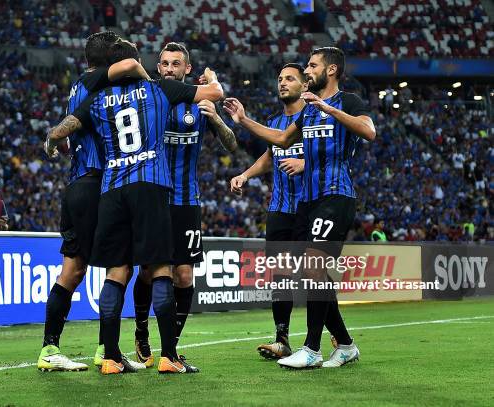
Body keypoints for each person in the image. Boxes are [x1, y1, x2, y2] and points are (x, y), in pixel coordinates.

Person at [49, 39, 224, 374]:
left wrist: (52, 138)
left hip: (112, 189)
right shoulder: (160, 89)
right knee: (161, 269)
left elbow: (69, 125)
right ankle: (169, 357)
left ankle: (111, 357)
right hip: (150, 183)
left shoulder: (99, 97)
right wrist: (211, 77)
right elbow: (214, 94)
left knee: (117, 272)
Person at [224, 47, 375, 369]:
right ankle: (345, 345)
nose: (308, 71)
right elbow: (279, 140)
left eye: (312, 65)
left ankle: (311, 348)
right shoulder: (306, 111)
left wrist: (328, 109)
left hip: (336, 195)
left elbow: (369, 131)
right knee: (313, 274)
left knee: (313, 266)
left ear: (331, 70)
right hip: (306, 202)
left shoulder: (347, 102)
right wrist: (243, 120)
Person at [37, 31, 151, 373]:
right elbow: (131, 63)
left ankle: (50, 349)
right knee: (121, 266)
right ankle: (108, 350)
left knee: (73, 270)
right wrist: (150, 85)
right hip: (98, 183)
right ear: (110, 60)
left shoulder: (80, 86)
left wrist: (54, 138)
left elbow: (66, 129)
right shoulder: (96, 77)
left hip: (77, 186)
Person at [131, 42, 237, 371]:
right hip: (155, 198)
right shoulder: (151, 97)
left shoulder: (200, 100)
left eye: (175, 64)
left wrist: (216, 119)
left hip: (187, 201)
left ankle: (171, 350)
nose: (168, 69)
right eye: (163, 63)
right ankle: (141, 330)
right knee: (149, 271)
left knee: (184, 274)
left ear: (186, 69)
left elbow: (232, 145)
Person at [229, 62, 307, 360]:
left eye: (290, 78)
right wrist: (245, 175)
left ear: (304, 85)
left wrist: (306, 165)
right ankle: (282, 339)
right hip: (279, 210)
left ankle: (338, 338)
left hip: (309, 208)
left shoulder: (312, 118)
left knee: (315, 275)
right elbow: (269, 157)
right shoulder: (275, 121)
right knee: (282, 275)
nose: (283, 83)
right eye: (280, 79)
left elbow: (329, 157)